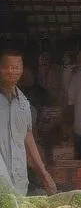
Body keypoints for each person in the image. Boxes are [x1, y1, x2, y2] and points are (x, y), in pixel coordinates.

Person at [0, 48, 56, 196]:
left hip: (18, 179)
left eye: (16, 67)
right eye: (7, 67)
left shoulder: (23, 103)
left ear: (22, 70)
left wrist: (43, 173)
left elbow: (28, 137)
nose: (12, 71)